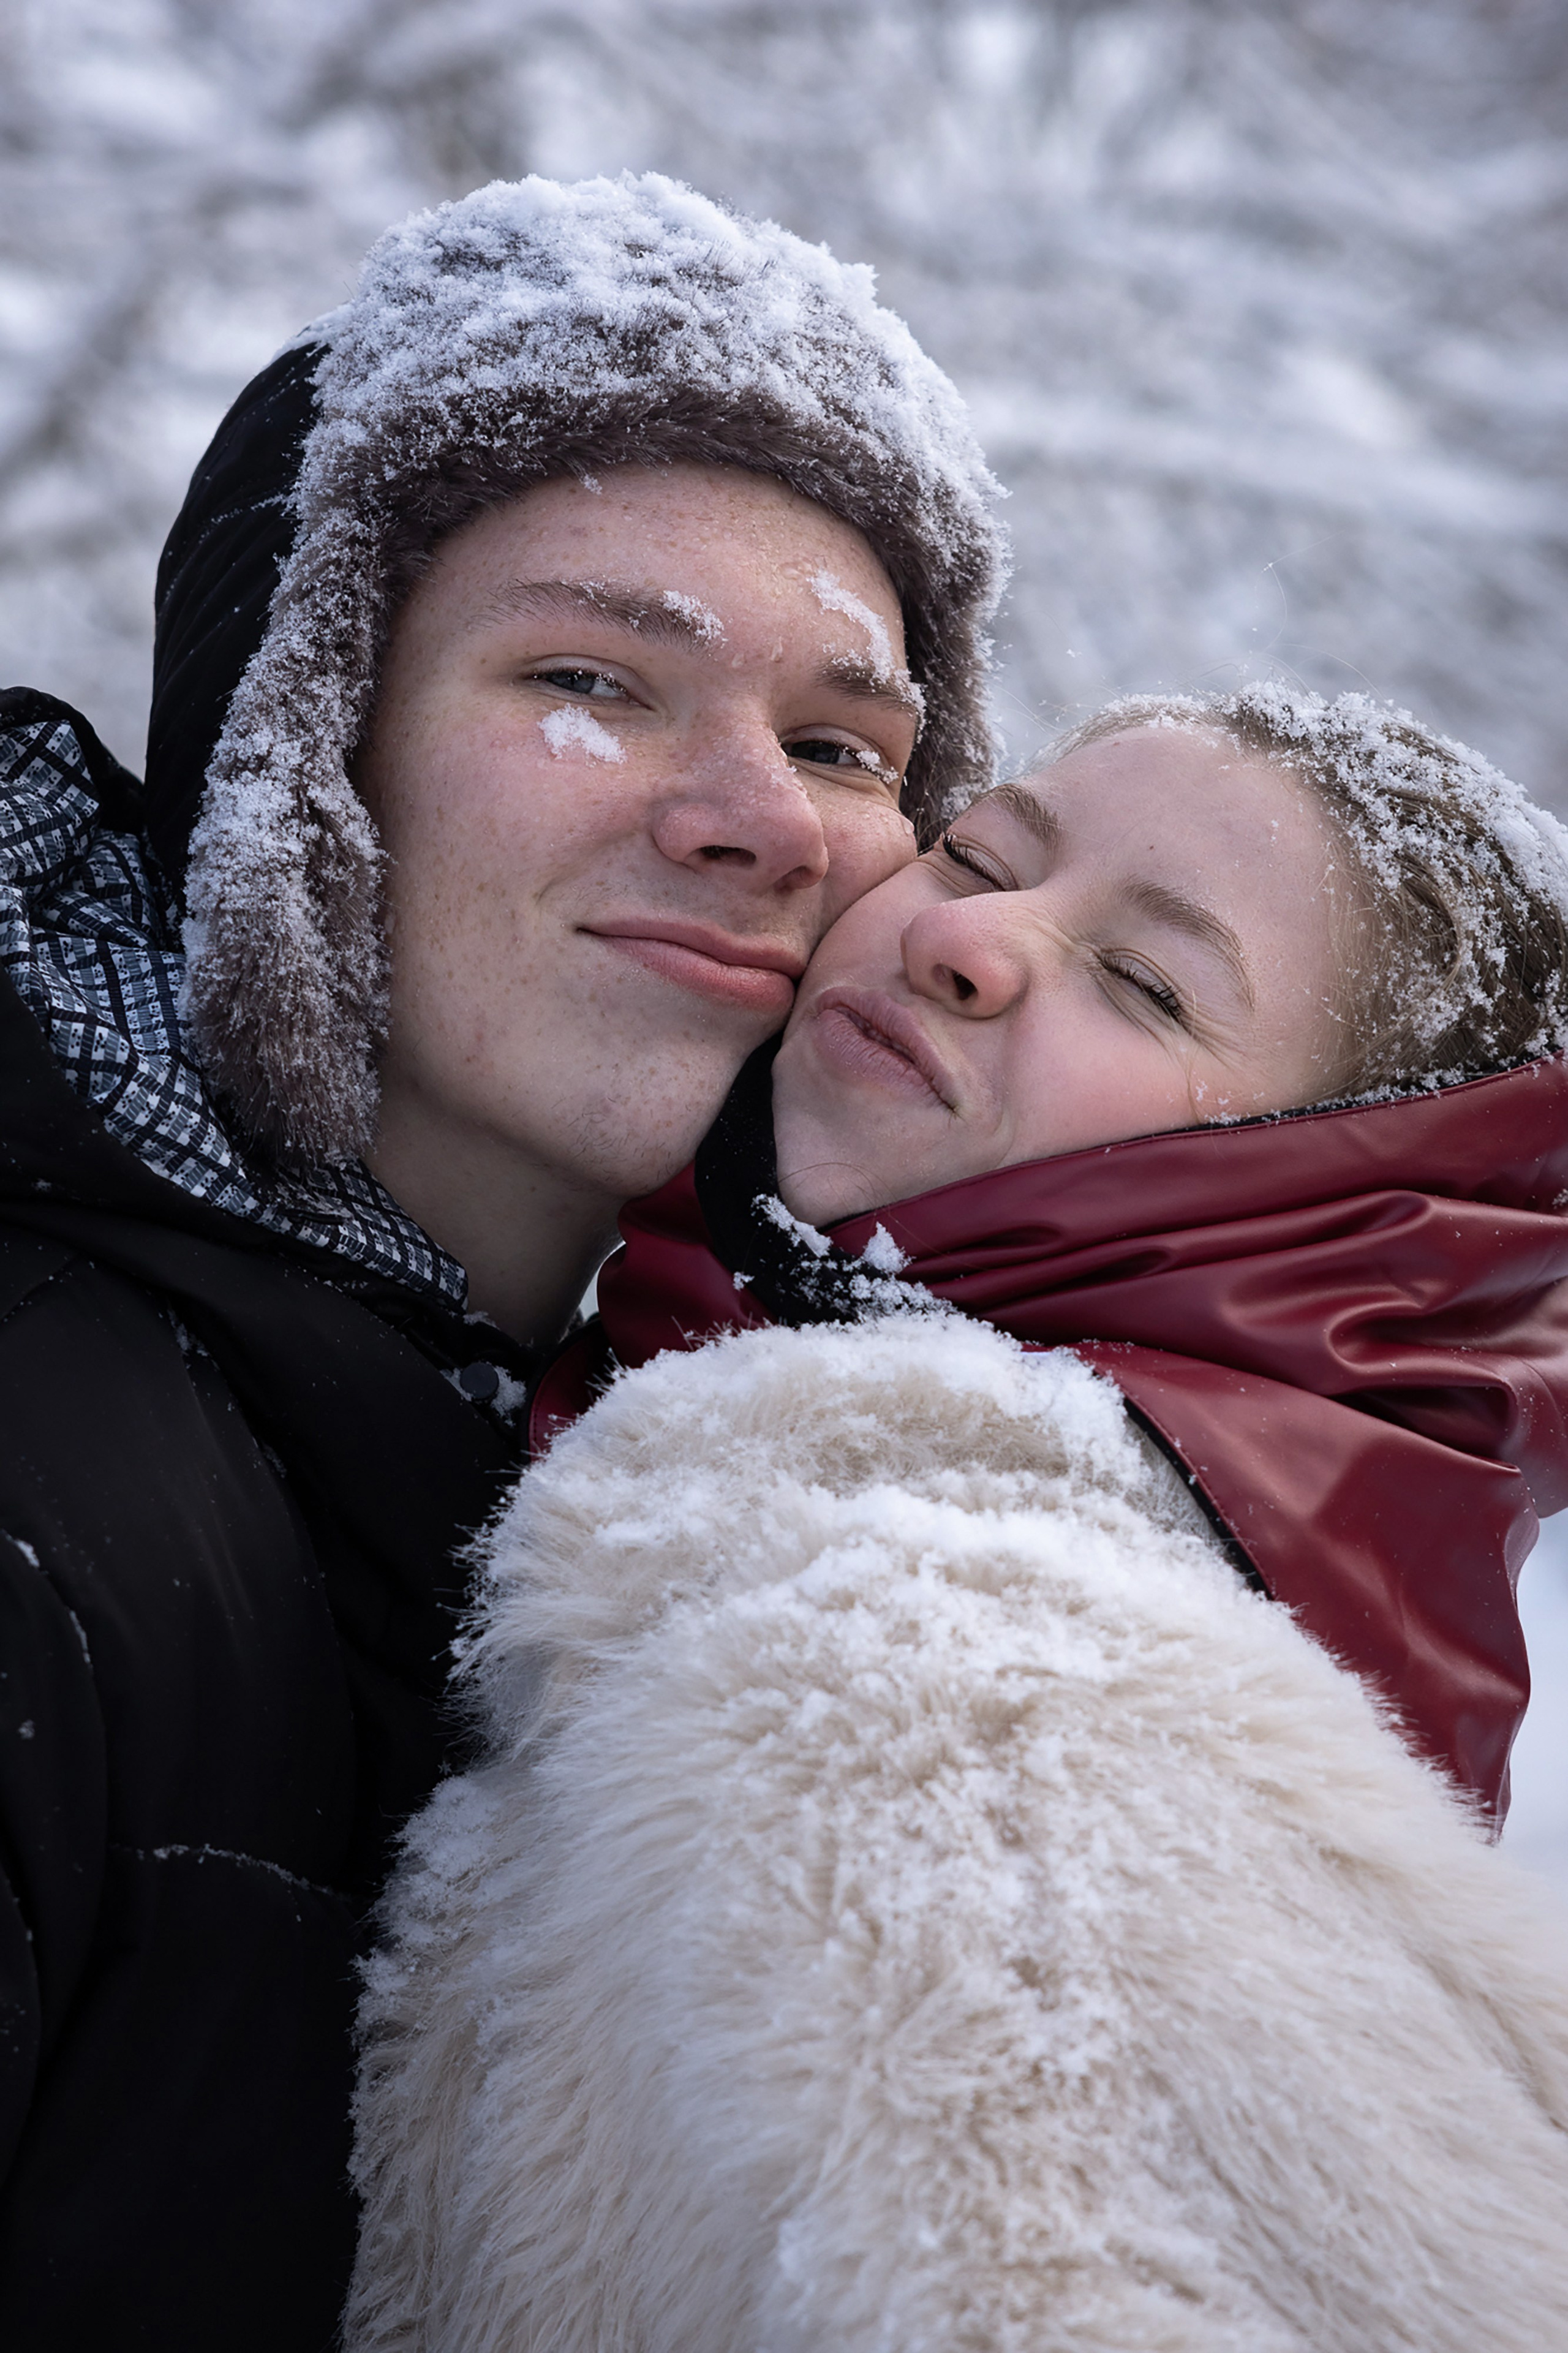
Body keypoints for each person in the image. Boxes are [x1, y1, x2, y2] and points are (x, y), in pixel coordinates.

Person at [0, 173, 1004, 2347]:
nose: (756, 814)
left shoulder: (639, 1546)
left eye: (848, 746)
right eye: (591, 679)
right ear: (298, 760)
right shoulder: (43, 1489)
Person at [348, 686, 1568, 2352]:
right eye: (986, 852)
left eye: (1145, 982)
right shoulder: (734, 1512)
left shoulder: (958, 1709)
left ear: (1330, 1214)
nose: (972, 941)